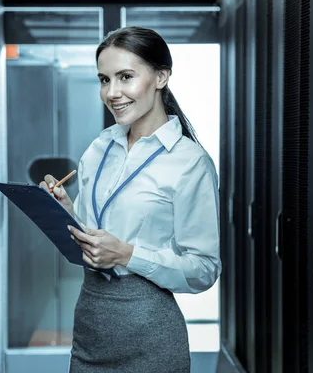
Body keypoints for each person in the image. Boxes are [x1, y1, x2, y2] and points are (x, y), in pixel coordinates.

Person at [40, 26, 221, 373]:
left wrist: (127, 254)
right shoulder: (99, 149)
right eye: (104, 80)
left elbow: (204, 269)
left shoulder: (189, 162)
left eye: (125, 77)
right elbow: (93, 237)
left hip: (150, 334)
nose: (113, 92)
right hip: (90, 322)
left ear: (161, 76)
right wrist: (66, 211)